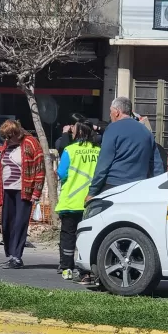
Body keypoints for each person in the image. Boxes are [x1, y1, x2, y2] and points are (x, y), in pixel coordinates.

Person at [87, 97, 164, 200]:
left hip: (114, 186)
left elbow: (104, 162)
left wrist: (93, 191)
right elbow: (156, 164)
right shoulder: (146, 131)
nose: (110, 115)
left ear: (117, 112)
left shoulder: (112, 129)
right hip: (139, 187)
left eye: (111, 111)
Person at [56, 117, 101, 285]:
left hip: (71, 200)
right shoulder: (99, 150)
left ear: (78, 132)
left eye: (73, 130)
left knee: (68, 236)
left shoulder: (70, 150)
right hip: (92, 201)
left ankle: (67, 268)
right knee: (87, 236)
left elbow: (61, 173)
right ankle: (86, 270)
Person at [0, 120, 44, 269]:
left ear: (16, 133)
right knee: (7, 222)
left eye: (9, 137)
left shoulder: (31, 143)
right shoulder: (8, 145)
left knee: (19, 223)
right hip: (7, 189)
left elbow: (39, 168)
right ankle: (10, 255)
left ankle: (17, 257)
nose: (7, 140)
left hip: (23, 190)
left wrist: (36, 191)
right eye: (5, 137)